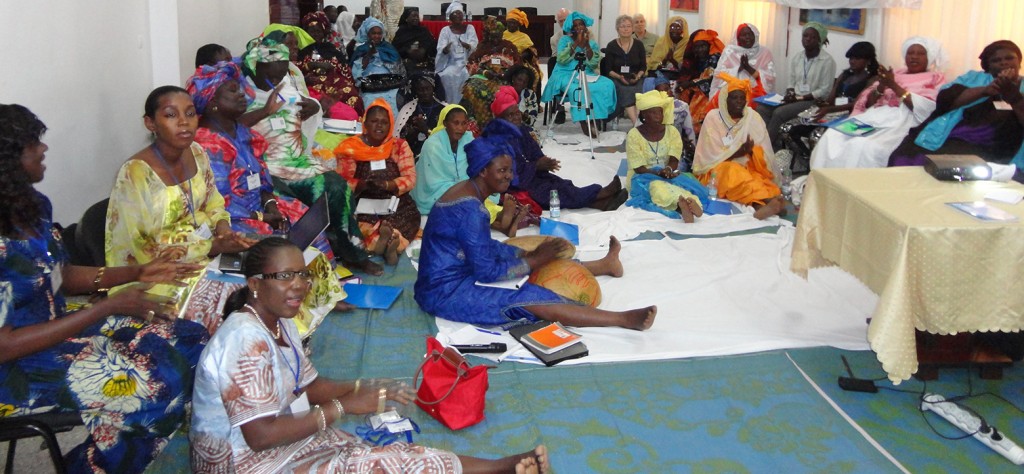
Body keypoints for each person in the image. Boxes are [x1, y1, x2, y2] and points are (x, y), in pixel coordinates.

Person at [190, 237, 552, 473]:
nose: (299, 284)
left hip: (274, 437)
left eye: (302, 274)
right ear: (254, 285)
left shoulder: (278, 321)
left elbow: (310, 386)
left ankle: (503, 467)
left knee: (379, 456)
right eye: (285, 276)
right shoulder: (244, 340)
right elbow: (260, 437)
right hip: (239, 461)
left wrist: (365, 386)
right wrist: (345, 407)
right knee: (368, 464)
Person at [0, 103, 208, 474]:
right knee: (162, 378)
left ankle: (113, 443)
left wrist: (137, 272)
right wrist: (105, 308)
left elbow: (61, 276)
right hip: (17, 368)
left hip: (57, 328)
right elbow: (5, 345)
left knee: (190, 337)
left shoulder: (31, 207)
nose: (43, 149)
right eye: (33, 143)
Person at [414, 135, 657, 330]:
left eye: (510, 170)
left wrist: (527, 255)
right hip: (444, 291)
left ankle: (603, 265)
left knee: (518, 251)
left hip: (461, 265)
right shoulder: (471, 210)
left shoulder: (465, 191)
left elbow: (478, 247)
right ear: (482, 171)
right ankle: (621, 319)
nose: (509, 176)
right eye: (502, 171)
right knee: (528, 298)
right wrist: (534, 259)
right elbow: (486, 271)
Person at [187, 63, 352, 328]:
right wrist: (264, 216)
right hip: (230, 221)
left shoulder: (239, 131)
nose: (242, 94)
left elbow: (262, 178)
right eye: (233, 91)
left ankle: (323, 295)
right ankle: (296, 309)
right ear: (213, 102)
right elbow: (221, 203)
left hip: (257, 208)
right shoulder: (208, 143)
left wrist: (272, 203)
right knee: (281, 245)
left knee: (303, 217)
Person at [105, 86, 256, 334]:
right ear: (150, 123)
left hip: (207, 248)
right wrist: (211, 247)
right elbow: (139, 247)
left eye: (190, 113)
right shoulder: (135, 173)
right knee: (237, 294)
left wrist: (223, 229)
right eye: (171, 115)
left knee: (272, 263)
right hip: (159, 272)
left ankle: (287, 339)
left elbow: (213, 201)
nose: (184, 122)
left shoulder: (196, 152)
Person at [243, 34, 383, 276]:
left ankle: (353, 252)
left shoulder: (285, 84)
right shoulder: (244, 93)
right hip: (265, 168)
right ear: (257, 67)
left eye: (281, 73)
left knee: (337, 186)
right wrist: (265, 111)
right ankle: (317, 257)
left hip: (297, 160)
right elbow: (233, 128)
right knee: (308, 196)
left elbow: (303, 105)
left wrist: (314, 108)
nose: (276, 80)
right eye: (272, 74)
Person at [888, 39, 1024, 182]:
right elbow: (945, 101)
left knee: (948, 170)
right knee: (903, 158)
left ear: (1019, 61)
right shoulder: (973, 78)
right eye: (996, 60)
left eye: (1009, 58)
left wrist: (1014, 97)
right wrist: (985, 90)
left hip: (994, 147)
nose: (1003, 63)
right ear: (988, 66)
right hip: (949, 135)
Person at [810, 37, 946, 170]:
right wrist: (881, 86)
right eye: (910, 53)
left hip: (902, 121)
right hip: (875, 116)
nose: (914, 57)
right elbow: (870, 103)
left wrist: (893, 85)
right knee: (833, 135)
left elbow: (927, 109)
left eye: (920, 53)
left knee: (863, 145)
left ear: (929, 58)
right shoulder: (896, 73)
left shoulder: (936, 78)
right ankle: (824, 183)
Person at [489, 89, 626, 211]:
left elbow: (533, 151)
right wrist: (536, 166)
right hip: (512, 185)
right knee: (551, 191)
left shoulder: (521, 130)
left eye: (517, 112)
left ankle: (600, 203)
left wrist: (544, 161)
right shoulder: (495, 140)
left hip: (529, 175)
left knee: (560, 183)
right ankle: (599, 194)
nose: (516, 117)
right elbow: (508, 174)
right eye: (510, 115)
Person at [411, 105, 530, 235]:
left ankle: (500, 222)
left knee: (474, 197)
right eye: (455, 123)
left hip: (462, 184)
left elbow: (476, 166)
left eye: (464, 123)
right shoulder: (432, 145)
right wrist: (463, 188)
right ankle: (500, 221)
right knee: (465, 203)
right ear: (445, 123)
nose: (460, 128)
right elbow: (432, 182)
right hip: (434, 193)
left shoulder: (468, 138)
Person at [334, 99, 419, 266]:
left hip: (395, 202)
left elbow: (410, 178)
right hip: (363, 202)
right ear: (364, 123)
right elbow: (342, 182)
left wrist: (387, 185)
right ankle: (389, 246)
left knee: (408, 217)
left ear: (391, 125)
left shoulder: (399, 146)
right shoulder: (350, 148)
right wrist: (363, 184)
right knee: (359, 225)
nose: (379, 126)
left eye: (384, 122)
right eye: (374, 121)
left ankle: (386, 244)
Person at [693, 74, 785, 219]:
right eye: (734, 98)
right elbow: (709, 159)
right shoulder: (713, 117)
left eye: (742, 98)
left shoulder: (752, 117)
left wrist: (752, 152)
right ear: (725, 100)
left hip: (747, 165)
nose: (739, 102)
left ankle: (765, 206)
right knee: (733, 172)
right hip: (716, 170)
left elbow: (765, 153)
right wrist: (738, 153)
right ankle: (764, 203)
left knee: (755, 177)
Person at [778, 41, 878, 172]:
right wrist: (823, 104)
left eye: (857, 58)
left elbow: (856, 105)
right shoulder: (845, 75)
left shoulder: (872, 79)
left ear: (868, 60)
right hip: (830, 112)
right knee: (786, 129)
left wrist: (829, 109)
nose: (852, 61)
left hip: (850, 117)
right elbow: (831, 99)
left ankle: (817, 168)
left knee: (815, 137)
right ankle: (808, 159)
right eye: (851, 58)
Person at [624, 90, 708, 223]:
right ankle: (680, 206)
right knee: (658, 187)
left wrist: (668, 169)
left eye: (660, 112)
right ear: (644, 115)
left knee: (682, 186)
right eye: (653, 112)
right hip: (641, 176)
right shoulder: (634, 135)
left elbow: (674, 159)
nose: (658, 116)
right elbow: (639, 168)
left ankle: (692, 204)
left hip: (667, 172)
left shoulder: (672, 131)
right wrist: (658, 172)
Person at [757, 22, 836, 148]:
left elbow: (824, 90)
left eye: (813, 37)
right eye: (805, 36)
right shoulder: (797, 58)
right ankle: (772, 141)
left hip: (813, 101)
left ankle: (765, 148)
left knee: (779, 113)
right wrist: (790, 92)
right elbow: (791, 81)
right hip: (795, 97)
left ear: (820, 40)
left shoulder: (827, 61)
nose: (808, 39)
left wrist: (799, 98)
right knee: (762, 109)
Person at [541, 12, 617, 138]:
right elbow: (561, 60)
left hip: (586, 72)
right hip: (565, 74)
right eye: (575, 25)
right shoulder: (564, 40)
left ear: (585, 26)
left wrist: (586, 45)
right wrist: (576, 43)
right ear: (571, 28)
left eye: (581, 24)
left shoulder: (592, 43)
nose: (578, 27)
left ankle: (596, 117)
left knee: (607, 84)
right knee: (578, 89)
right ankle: (584, 121)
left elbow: (593, 64)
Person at [298, 11, 364, 118]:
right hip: (311, 82)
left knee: (351, 95)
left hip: (334, 80)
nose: (316, 34)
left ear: (324, 32)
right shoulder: (301, 51)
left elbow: (345, 68)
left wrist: (331, 66)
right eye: (312, 31)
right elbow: (296, 70)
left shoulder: (331, 48)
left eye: (318, 31)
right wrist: (311, 65)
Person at [460, 16, 522, 130]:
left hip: (505, 77)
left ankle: (502, 125)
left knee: (502, 92)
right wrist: (484, 72)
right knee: (470, 87)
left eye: (498, 36)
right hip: (484, 77)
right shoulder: (483, 46)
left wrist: (505, 74)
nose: (495, 39)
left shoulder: (509, 46)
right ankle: (480, 123)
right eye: (492, 36)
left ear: (502, 34)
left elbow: (518, 65)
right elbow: (470, 64)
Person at [709, 23, 776, 110]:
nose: (747, 37)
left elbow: (769, 79)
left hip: (755, 91)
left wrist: (748, 68)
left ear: (755, 36)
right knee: (728, 98)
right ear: (738, 38)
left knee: (754, 101)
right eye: (744, 35)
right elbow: (719, 76)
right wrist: (739, 69)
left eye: (750, 34)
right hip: (732, 90)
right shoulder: (730, 51)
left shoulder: (764, 52)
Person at [351, 17, 406, 114]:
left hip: (389, 84)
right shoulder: (361, 49)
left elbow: (399, 70)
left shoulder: (389, 48)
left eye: (379, 33)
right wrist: (369, 54)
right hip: (369, 86)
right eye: (373, 33)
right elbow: (356, 72)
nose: (376, 36)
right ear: (368, 34)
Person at [676, 29, 725, 135]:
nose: (699, 50)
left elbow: (708, 78)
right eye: (696, 47)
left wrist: (689, 84)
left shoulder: (714, 58)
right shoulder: (699, 59)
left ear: (709, 46)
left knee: (695, 116)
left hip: (712, 92)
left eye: (702, 46)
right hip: (701, 89)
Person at [602, 15, 648, 125]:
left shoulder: (639, 45)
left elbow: (643, 66)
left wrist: (638, 76)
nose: (626, 29)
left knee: (641, 90)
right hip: (617, 78)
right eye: (622, 26)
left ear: (632, 28)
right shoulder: (612, 45)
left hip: (635, 77)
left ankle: (638, 121)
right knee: (625, 90)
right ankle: (636, 124)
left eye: (628, 26)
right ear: (617, 29)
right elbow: (607, 69)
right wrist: (619, 77)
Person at [644, 78, 696, 168]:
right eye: (663, 91)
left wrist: (692, 152)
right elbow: (639, 132)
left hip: (675, 152)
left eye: (668, 89)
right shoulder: (647, 108)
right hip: (651, 152)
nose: (669, 93)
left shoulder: (681, 108)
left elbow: (689, 132)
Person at [394, 72, 448, 156]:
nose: (425, 92)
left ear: (433, 88)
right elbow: (400, 139)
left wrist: (425, 129)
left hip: (439, 154)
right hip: (413, 155)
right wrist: (412, 133)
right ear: (416, 91)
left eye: (427, 88)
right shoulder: (408, 110)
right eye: (421, 90)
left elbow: (448, 137)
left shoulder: (443, 109)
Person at [435, 2, 478, 105]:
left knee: (467, 74)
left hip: (467, 62)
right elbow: (440, 48)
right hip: (451, 63)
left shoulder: (470, 28)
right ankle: (451, 105)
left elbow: (475, 45)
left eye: (460, 13)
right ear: (450, 17)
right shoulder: (445, 31)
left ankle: (466, 105)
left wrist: (468, 46)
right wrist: (445, 50)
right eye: (456, 13)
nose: (459, 16)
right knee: (447, 75)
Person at [504, 8, 542, 97]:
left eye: (513, 23)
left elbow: (531, 51)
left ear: (518, 24)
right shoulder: (502, 35)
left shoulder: (524, 37)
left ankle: (531, 99)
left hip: (520, 61)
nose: (511, 25)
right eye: (509, 22)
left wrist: (520, 56)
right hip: (503, 61)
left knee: (535, 75)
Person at [391, 7, 437, 74]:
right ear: (406, 19)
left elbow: (432, 45)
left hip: (424, 62)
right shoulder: (401, 31)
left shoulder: (423, 30)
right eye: (413, 16)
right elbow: (395, 48)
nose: (416, 18)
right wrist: (407, 51)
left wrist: (423, 49)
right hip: (406, 62)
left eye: (417, 16)